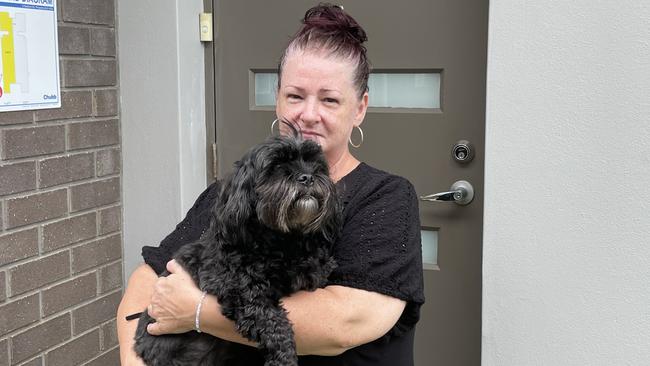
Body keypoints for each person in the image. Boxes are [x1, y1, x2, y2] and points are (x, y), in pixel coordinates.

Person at [117, 4, 424, 365]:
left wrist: (197, 310)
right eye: (295, 96)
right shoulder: (235, 191)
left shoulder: (384, 197)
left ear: (359, 108)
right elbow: (147, 277)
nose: (308, 114)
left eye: (329, 99)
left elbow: (345, 323)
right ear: (277, 97)